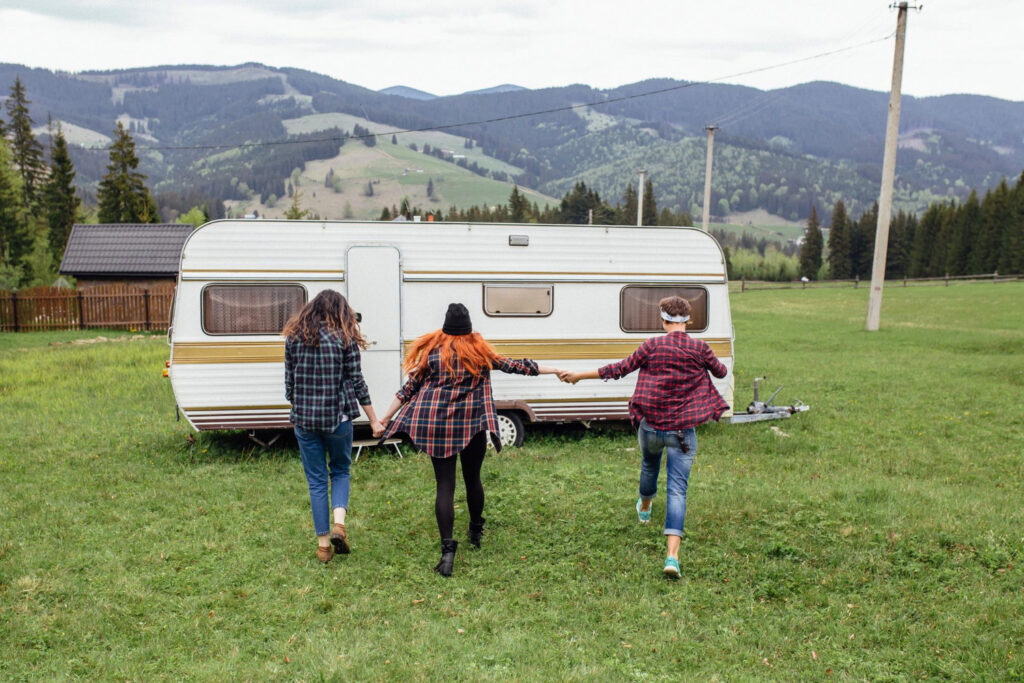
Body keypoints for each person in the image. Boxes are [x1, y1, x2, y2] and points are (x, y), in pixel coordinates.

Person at [375, 303, 563, 576]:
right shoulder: (480, 354)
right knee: (472, 478)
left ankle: (448, 553)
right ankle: (475, 531)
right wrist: (554, 369)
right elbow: (519, 366)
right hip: (472, 426)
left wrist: (383, 419)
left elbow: (407, 389)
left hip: (437, 426)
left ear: (445, 328)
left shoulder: (432, 354)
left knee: (445, 486)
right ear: (469, 329)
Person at [561, 296, 728, 578]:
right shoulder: (700, 347)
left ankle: (646, 508)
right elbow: (721, 372)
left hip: (651, 426)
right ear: (689, 321)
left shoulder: (651, 345)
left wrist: (579, 375)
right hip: (682, 431)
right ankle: (672, 557)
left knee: (649, 465)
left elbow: (619, 368)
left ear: (662, 321)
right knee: (677, 491)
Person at [283, 289, 383, 564]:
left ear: (311, 310)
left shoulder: (294, 337)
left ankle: (323, 546)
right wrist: (373, 418)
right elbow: (357, 381)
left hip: (304, 420)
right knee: (340, 470)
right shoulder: (344, 338)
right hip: (338, 419)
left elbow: (289, 384)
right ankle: (340, 524)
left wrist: (300, 401)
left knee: (316, 482)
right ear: (340, 311)